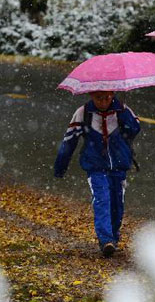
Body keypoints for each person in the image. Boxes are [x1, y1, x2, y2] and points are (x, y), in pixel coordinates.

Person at [54, 91, 140, 257]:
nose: (103, 102)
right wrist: (60, 167)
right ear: (92, 95)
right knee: (102, 199)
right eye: (99, 98)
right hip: (95, 166)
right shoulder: (83, 113)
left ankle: (113, 237)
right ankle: (105, 239)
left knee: (117, 203)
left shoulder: (122, 109)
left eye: (107, 98)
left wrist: (124, 115)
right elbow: (69, 142)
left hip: (119, 166)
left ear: (113, 94)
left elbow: (134, 130)